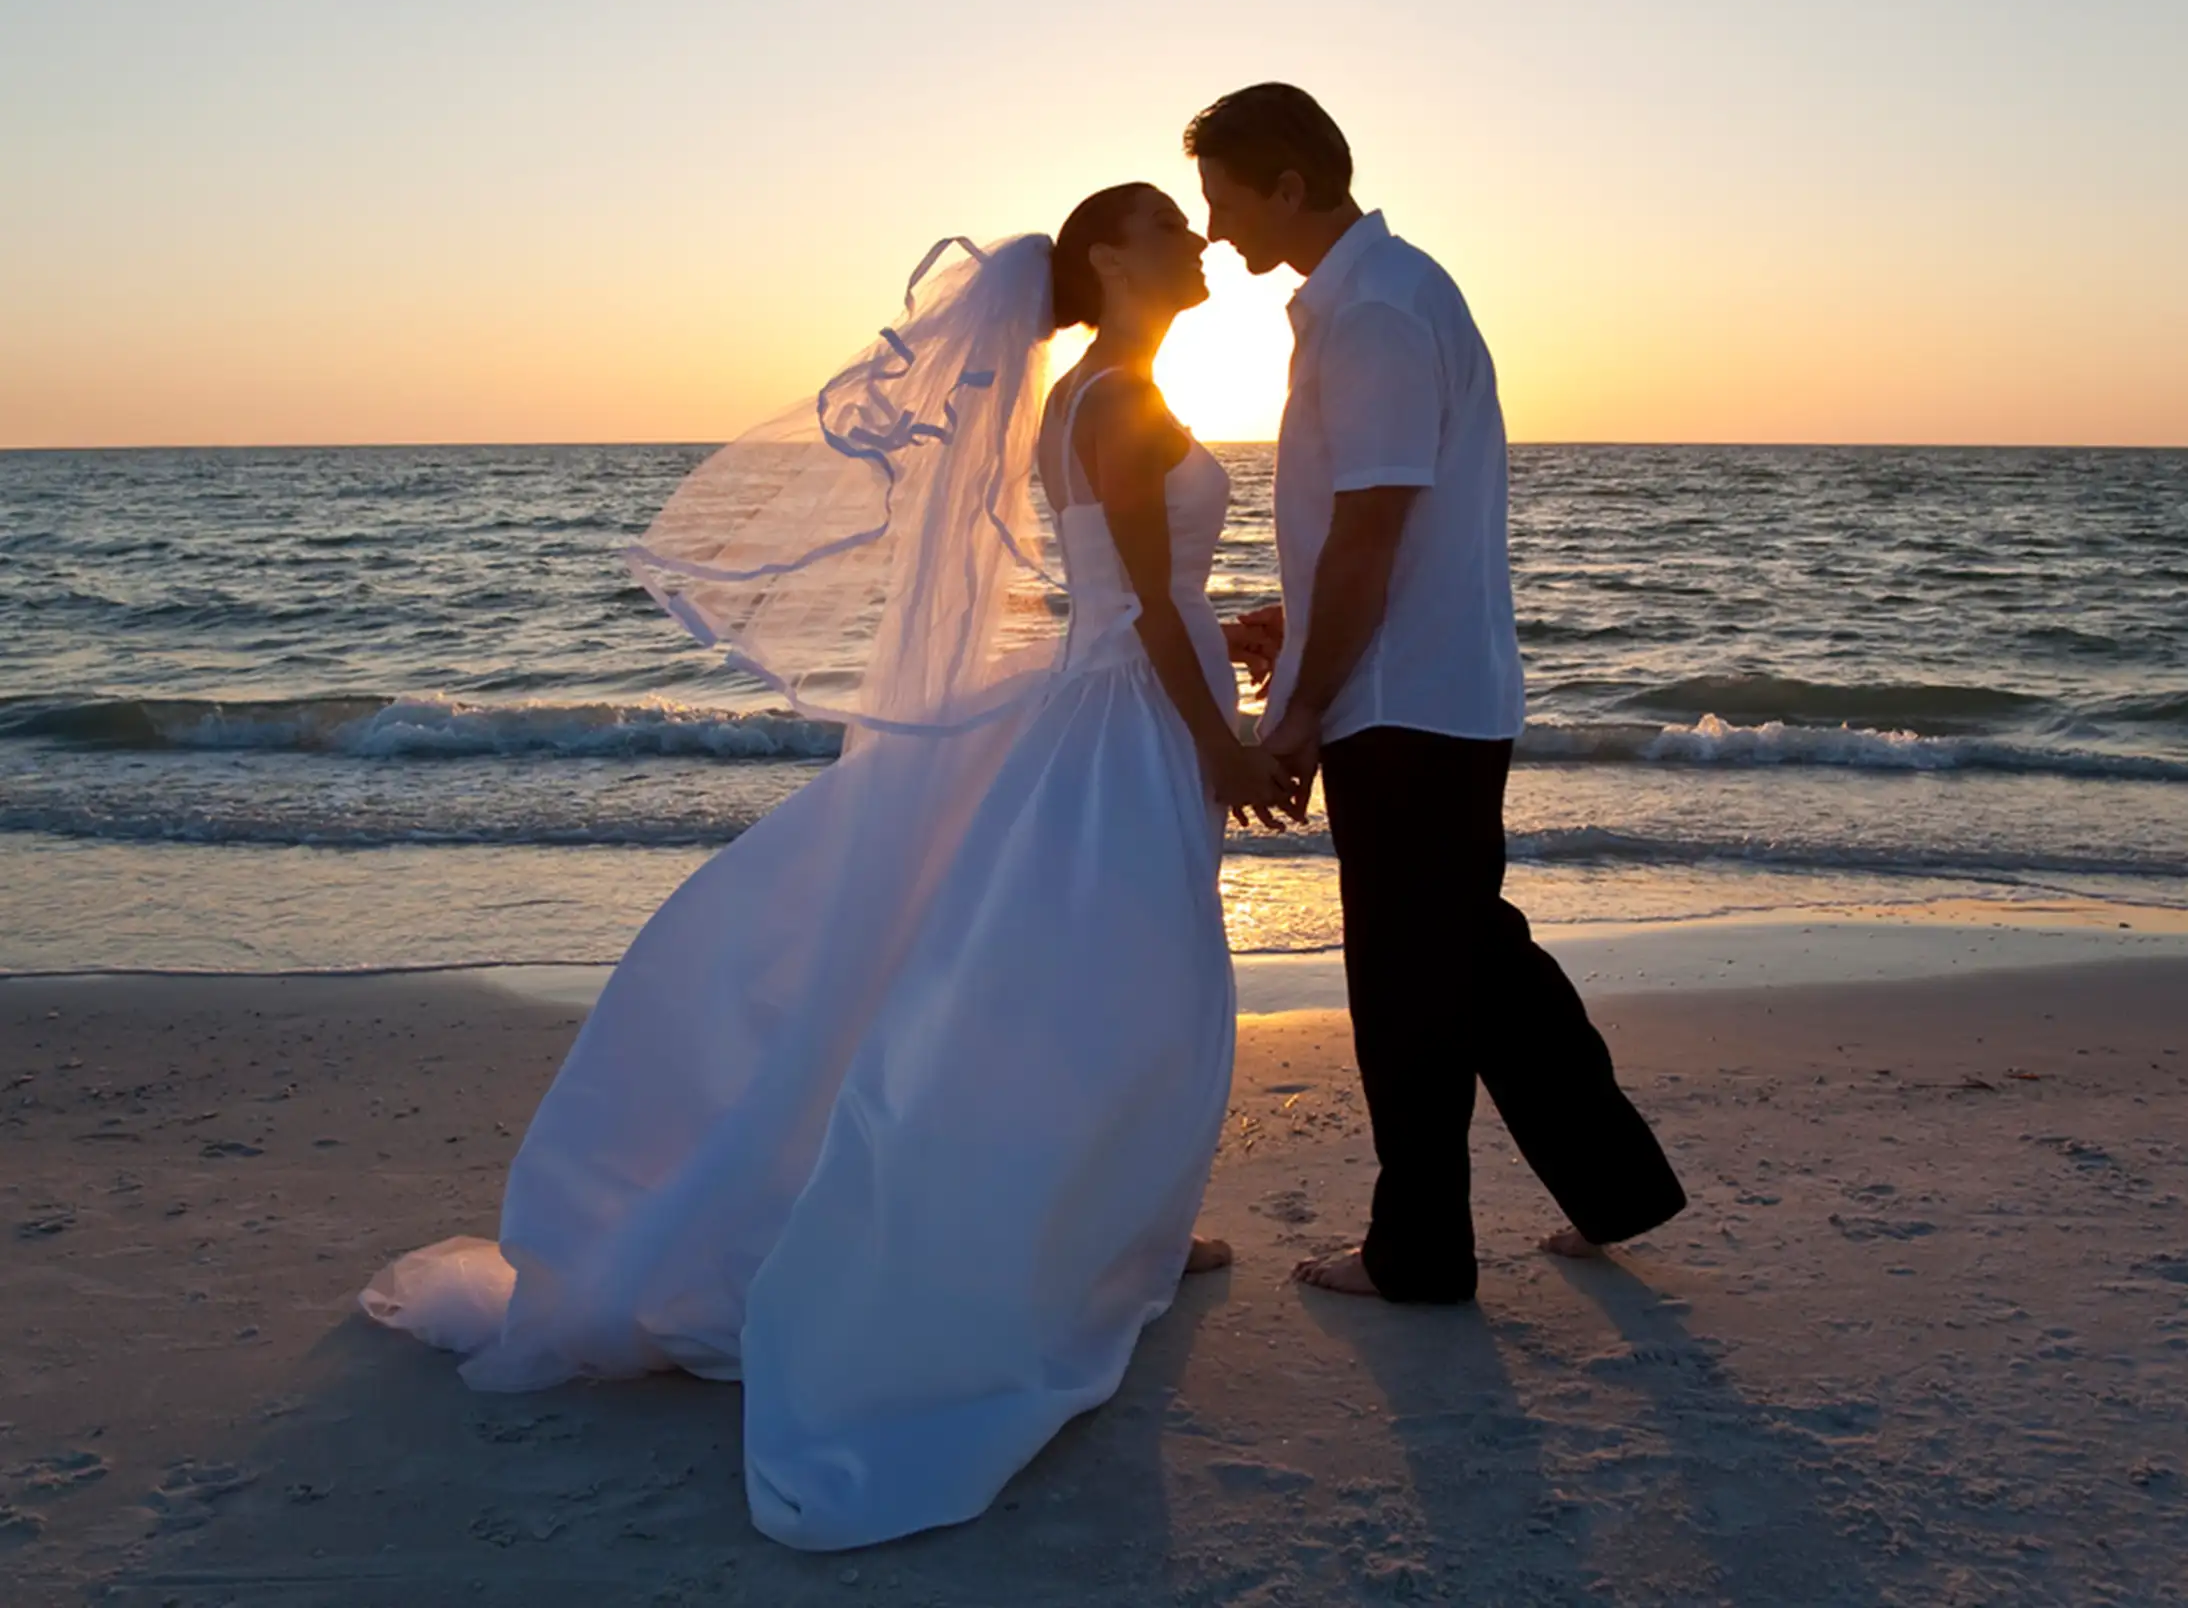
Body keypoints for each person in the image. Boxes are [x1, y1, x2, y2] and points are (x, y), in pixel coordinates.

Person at [360, 185, 1293, 1549]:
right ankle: (1091, 1242)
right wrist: (1226, 742)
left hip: (1116, 699)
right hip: (1133, 720)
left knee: (1114, 983)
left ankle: (1128, 1234)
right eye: (1167, 228)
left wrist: (1227, 626)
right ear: (1107, 256)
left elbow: (1139, 591)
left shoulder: (1092, 391)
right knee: (1126, 989)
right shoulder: (1119, 398)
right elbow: (1146, 604)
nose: (1195, 244)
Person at [1195, 83, 1688, 1303]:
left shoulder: (1372, 312)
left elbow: (1371, 535)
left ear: (1289, 185)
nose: (1213, 227)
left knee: (1408, 984)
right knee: (1474, 958)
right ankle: (1616, 1186)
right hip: (1431, 683)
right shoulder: (1389, 291)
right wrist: (1298, 625)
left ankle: (1418, 1252)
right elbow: (1378, 536)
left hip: (1402, 702)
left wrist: (1299, 709)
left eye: (1224, 198)